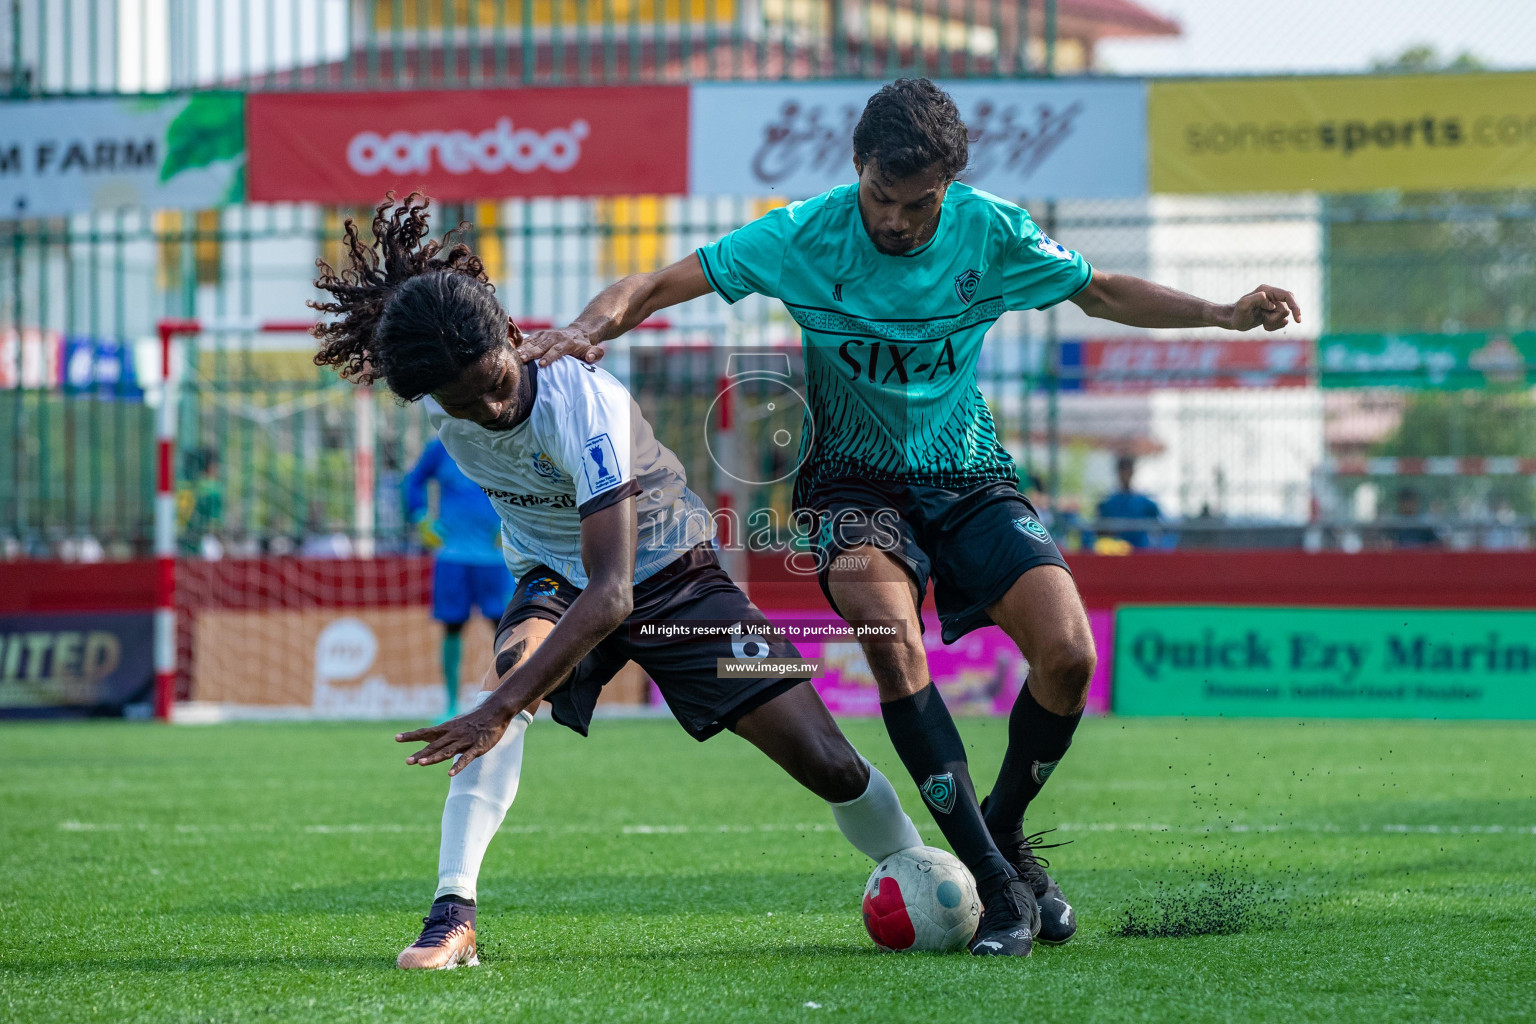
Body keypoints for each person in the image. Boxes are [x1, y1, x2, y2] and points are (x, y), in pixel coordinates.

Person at [518, 78, 1302, 957]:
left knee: (1071, 656)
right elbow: (663, 281)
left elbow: (1102, 291)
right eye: (882, 198)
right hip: (851, 486)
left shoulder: (992, 230)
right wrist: (587, 326)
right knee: (892, 638)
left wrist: (1223, 314)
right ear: (858, 170)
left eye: (918, 202)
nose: (896, 220)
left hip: (968, 474)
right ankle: (1000, 891)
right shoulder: (802, 232)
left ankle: (997, 835)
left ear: (949, 184)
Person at [310, 194, 925, 970]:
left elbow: (615, 593)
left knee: (829, 762)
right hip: (550, 579)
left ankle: (922, 868)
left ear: (510, 335)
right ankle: (451, 916)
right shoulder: (444, 404)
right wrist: (506, 700)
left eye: (496, 382)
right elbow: (578, 588)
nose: (492, 409)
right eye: (465, 403)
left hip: (673, 580)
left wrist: (492, 709)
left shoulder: (583, 401)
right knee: (511, 683)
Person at [403, 435, 513, 717]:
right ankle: (451, 704)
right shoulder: (441, 446)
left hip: (494, 558)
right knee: (452, 627)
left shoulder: (500, 442)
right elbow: (413, 481)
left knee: (504, 628)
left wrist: (514, 523)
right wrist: (420, 518)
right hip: (452, 557)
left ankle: (512, 700)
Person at [1096, 454, 1163, 550]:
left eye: (1128, 470)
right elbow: (1100, 533)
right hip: (1116, 554)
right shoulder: (1108, 504)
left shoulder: (1145, 503)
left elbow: (1161, 526)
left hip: (1141, 553)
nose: (1125, 475)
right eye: (1123, 470)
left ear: (1133, 472)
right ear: (1118, 473)